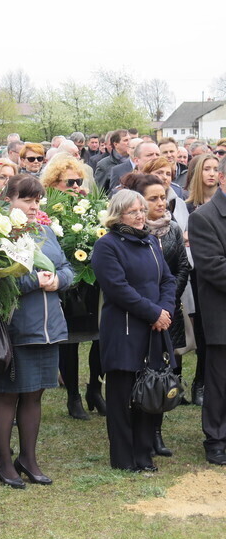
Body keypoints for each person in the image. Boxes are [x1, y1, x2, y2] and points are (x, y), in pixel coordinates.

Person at [0, 175, 73, 488]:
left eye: (37, 200)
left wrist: (58, 280)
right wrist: (33, 281)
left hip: (48, 328)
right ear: (8, 199)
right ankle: (3, 462)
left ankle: (28, 459)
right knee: (7, 395)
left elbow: (67, 267)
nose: (34, 206)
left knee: (35, 394)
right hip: (16, 327)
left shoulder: (45, 230)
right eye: (26, 200)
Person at [91, 189, 176, 472]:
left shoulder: (151, 241)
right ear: (118, 215)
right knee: (122, 397)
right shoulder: (107, 245)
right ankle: (123, 458)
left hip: (154, 328)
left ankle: (143, 454)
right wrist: (153, 313)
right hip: (124, 331)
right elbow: (118, 289)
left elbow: (167, 280)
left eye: (142, 210)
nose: (140, 216)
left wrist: (165, 311)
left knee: (148, 392)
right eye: (133, 212)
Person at [120, 172, 190, 456]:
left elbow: (181, 268)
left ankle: (156, 433)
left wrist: (166, 307)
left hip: (167, 312)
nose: (161, 203)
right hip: (139, 314)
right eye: (153, 199)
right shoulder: (129, 235)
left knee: (163, 372)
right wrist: (153, 310)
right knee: (140, 373)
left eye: (163, 197)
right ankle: (137, 433)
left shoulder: (172, 228)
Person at [40, 155, 104, 419]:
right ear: (54, 183)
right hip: (65, 283)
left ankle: (95, 389)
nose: (77, 186)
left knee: (99, 336)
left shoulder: (89, 206)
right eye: (70, 182)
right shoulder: (47, 211)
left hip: (90, 282)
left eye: (79, 181)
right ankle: (73, 396)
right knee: (70, 342)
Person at [188, 154, 226, 465]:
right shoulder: (204, 217)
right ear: (223, 179)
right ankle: (216, 439)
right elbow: (213, 268)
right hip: (222, 316)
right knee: (220, 383)